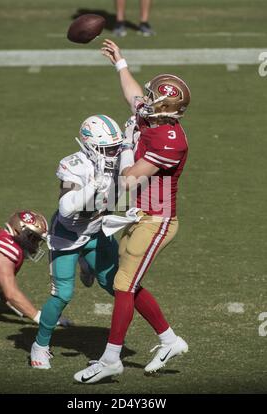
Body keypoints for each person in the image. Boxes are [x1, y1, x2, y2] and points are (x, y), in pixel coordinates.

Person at [74, 39, 191, 383]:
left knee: (124, 284)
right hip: (137, 215)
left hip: (157, 220)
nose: (147, 101)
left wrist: (125, 144)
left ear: (168, 108)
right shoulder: (153, 115)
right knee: (122, 282)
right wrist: (120, 63)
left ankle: (111, 358)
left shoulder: (170, 141)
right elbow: (132, 96)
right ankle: (169, 340)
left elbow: (128, 181)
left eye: (154, 98)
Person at [30, 114, 124, 369]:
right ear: (89, 146)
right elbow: (65, 208)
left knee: (117, 287)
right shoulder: (75, 165)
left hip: (98, 230)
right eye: (108, 148)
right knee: (63, 295)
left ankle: (112, 352)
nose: (114, 153)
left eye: (117, 146)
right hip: (68, 237)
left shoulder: (122, 158)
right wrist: (92, 187)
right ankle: (40, 344)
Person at [0, 207, 51, 323]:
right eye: (33, 238)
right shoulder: (7, 249)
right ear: (17, 231)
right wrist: (39, 317)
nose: (35, 245)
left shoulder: (0, 237)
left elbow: (1, 288)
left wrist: (22, 310)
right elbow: (11, 293)